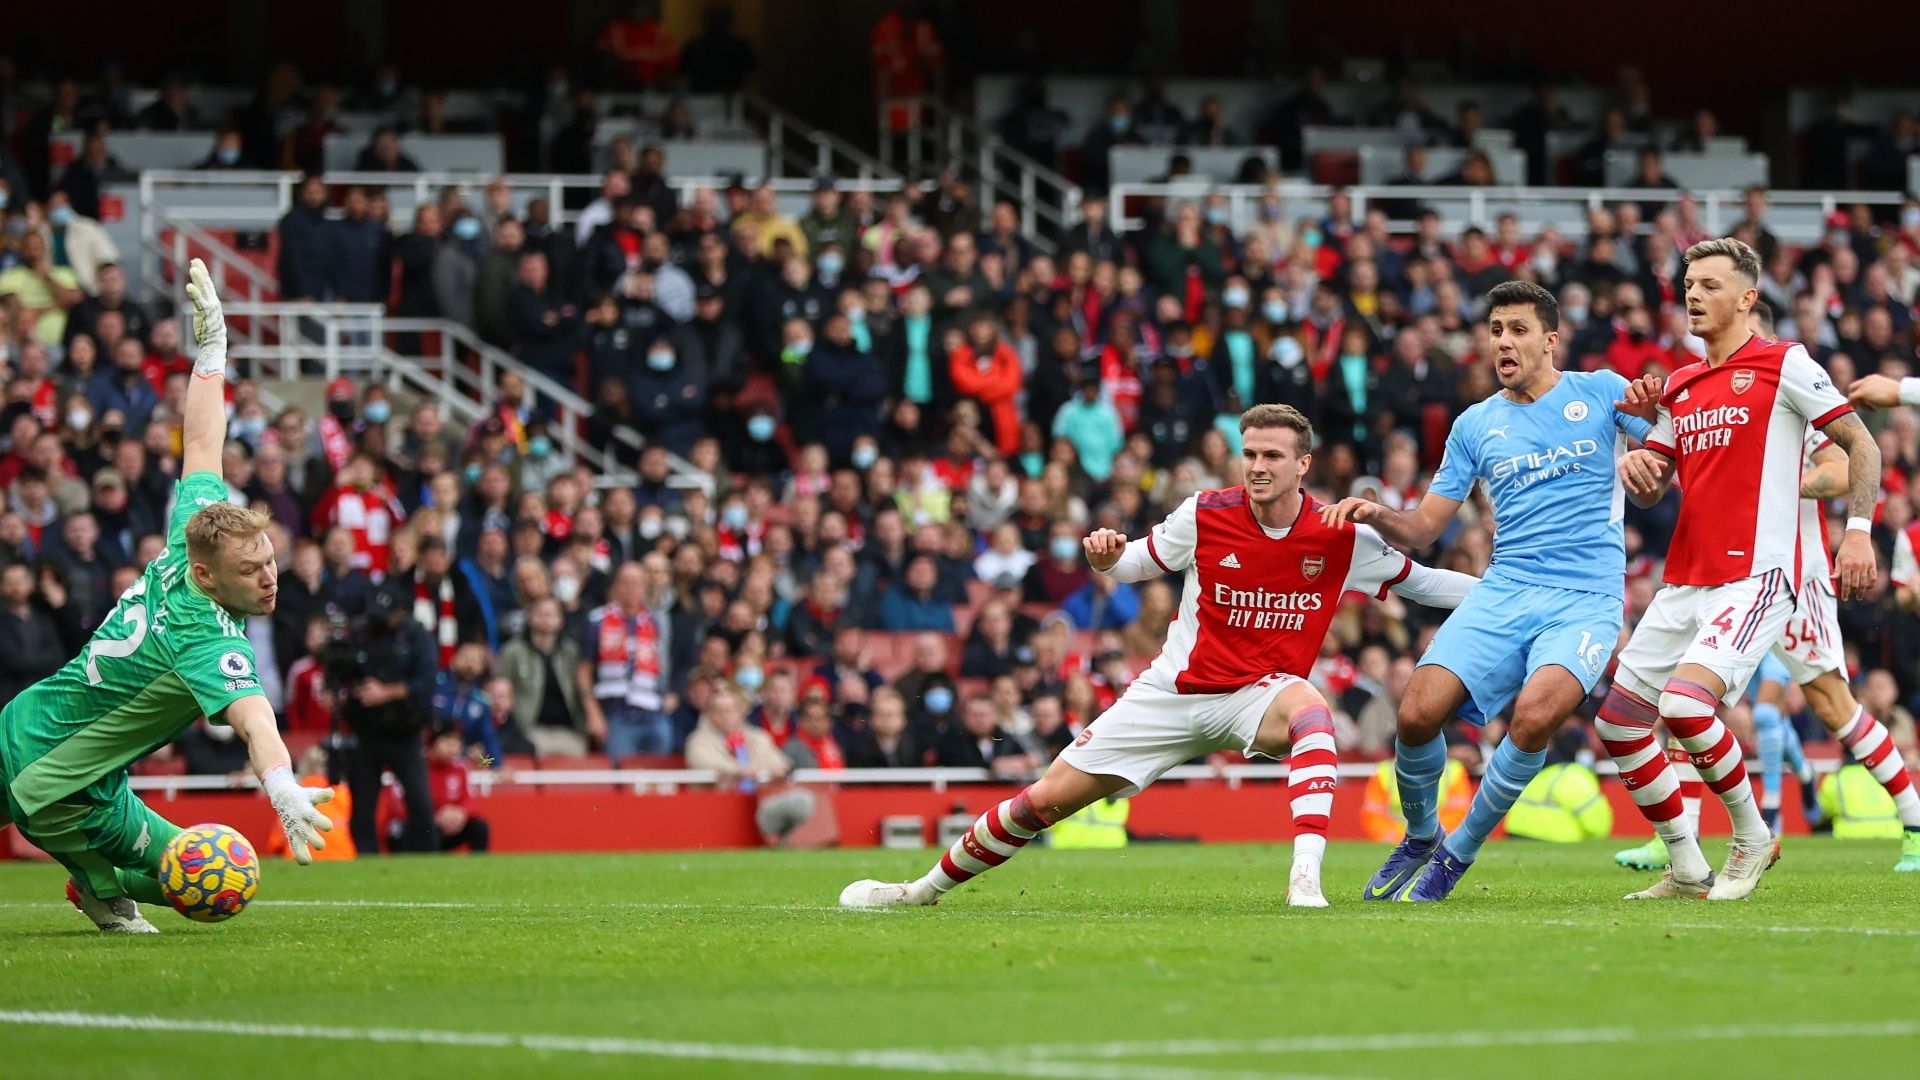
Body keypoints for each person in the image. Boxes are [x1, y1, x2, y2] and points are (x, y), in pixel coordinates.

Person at [840, 404, 1478, 911]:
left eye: (1272, 456)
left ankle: (1304, 880)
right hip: (1173, 692)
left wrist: (1517, 593)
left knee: (1313, 713)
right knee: (1042, 802)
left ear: (1302, 465)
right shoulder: (1204, 514)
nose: (1257, 466)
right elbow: (1134, 564)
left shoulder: (1343, 536)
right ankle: (919, 892)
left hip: (1259, 694)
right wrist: (1104, 557)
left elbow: (1424, 583)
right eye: (1250, 453)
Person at [0, 260, 330, 933]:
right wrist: (282, 786)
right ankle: (100, 886)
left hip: (28, 724)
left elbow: (204, 441)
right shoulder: (204, 636)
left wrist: (212, 353)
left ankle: (97, 878)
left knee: (197, 869)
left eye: (269, 560)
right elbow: (253, 717)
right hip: (61, 789)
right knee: (205, 879)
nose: (270, 578)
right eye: (253, 571)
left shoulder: (197, 531)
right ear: (210, 578)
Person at [1322, 280, 1656, 903]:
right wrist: (1377, 515)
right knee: (1417, 712)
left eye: (1519, 330)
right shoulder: (1475, 424)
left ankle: (1458, 853)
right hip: (1505, 589)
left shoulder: (1604, 392)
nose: (1504, 341)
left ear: (1550, 340)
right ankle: (1421, 835)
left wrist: (1647, 466)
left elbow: (1659, 472)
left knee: (1532, 718)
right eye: (1497, 329)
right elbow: (1424, 528)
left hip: (1585, 597)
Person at [1602, 238, 1880, 900]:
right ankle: (1686, 864)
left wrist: (1859, 532)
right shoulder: (1682, 384)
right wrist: (1636, 469)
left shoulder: (1786, 364)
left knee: (1684, 706)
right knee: (1617, 720)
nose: (1692, 295)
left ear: (1747, 298)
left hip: (1757, 576)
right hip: (1685, 578)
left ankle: (1753, 838)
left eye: (1709, 285)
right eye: (1689, 284)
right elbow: (1654, 482)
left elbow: (1861, 443)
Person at [578, 562, 671, 765]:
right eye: (625, 582)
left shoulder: (655, 621)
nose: (631, 588)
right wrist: (593, 713)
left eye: (637, 583)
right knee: (622, 777)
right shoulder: (597, 620)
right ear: (616, 587)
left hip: (652, 710)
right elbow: (583, 670)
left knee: (656, 777)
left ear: (645, 587)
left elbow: (662, 664)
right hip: (616, 712)